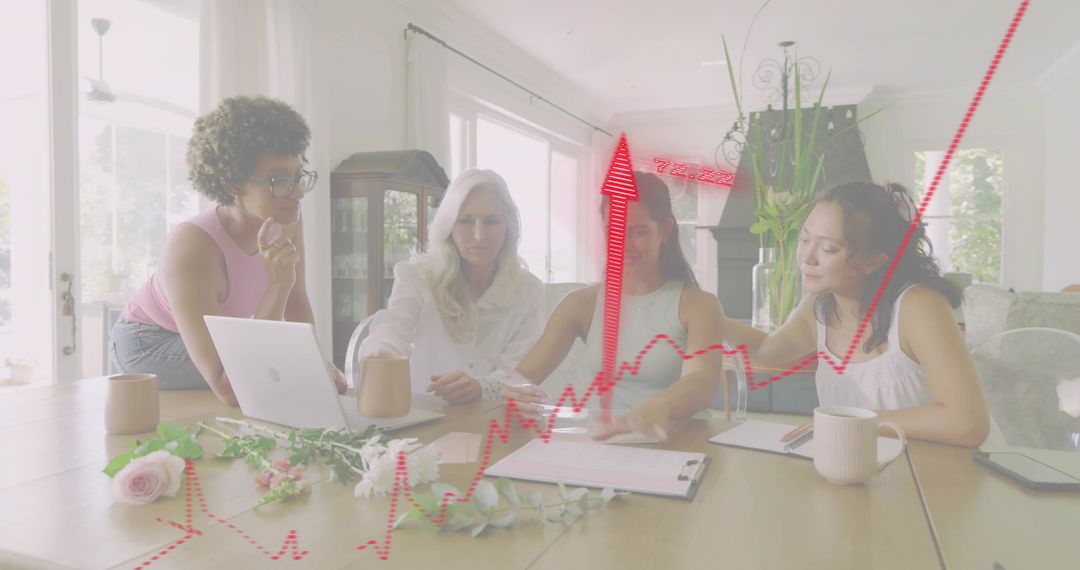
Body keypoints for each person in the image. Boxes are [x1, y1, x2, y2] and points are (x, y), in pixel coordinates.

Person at [111, 95, 344, 406]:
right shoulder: (192, 248)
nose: (298, 192)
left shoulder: (284, 217)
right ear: (233, 184)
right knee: (269, 377)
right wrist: (278, 285)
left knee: (313, 375)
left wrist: (318, 363)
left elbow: (296, 300)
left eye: (299, 176)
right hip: (150, 343)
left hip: (218, 341)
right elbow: (229, 387)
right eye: (280, 180)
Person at [723, 181, 990, 447]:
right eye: (804, 239)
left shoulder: (919, 307)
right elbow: (768, 349)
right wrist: (712, 318)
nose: (807, 257)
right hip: (854, 467)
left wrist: (852, 422)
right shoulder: (819, 305)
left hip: (930, 476)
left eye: (828, 249)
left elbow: (967, 424)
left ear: (874, 261)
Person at [500, 172, 725, 441]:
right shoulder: (580, 304)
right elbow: (523, 377)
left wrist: (658, 407)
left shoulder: (699, 306)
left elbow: (701, 381)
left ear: (665, 229)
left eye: (638, 232)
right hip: (608, 443)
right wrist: (516, 394)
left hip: (681, 443)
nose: (623, 245)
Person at [358, 169, 545, 402]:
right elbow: (393, 327)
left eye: (492, 222)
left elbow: (521, 371)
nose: (479, 235)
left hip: (497, 419)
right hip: (424, 415)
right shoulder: (416, 277)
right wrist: (382, 354)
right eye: (466, 221)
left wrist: (481, 387)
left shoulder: (529, 290)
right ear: (448, 225)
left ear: (508, 227)